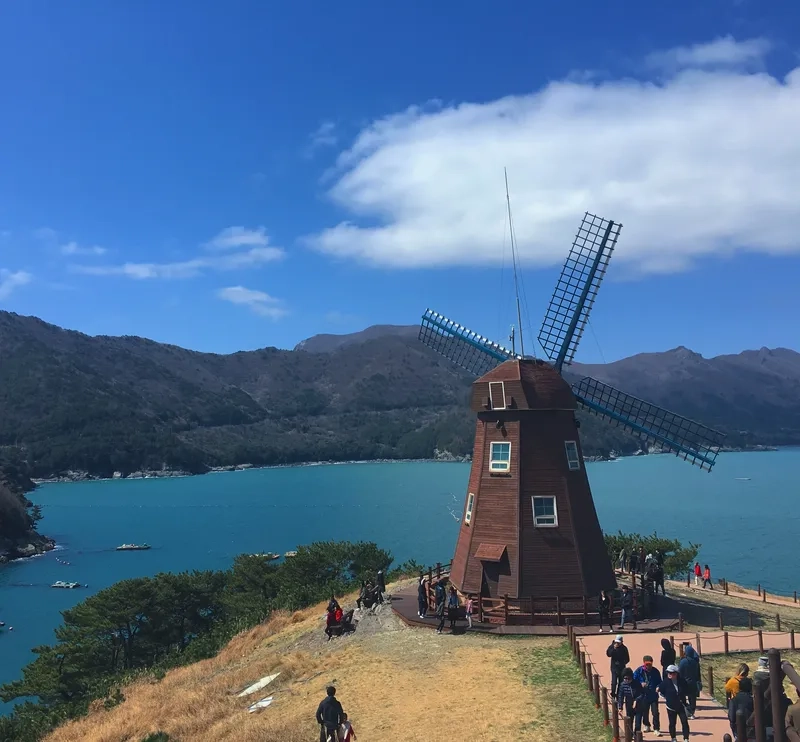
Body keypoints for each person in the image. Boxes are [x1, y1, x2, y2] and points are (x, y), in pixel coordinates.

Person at [633, 654, 663, 735]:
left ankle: (656, 728)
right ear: (644, 663)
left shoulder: (655, 671)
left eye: (650, 664)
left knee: (655, 712)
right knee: (645, 712)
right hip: (643, 696)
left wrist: (658, 687)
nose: (648, 666)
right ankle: (647, 724)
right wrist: (640, 683)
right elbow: (633, 680)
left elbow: (660, 682)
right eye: (647, 664)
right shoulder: (639, 671)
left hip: (653, 696)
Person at [660, 664, 690, 742]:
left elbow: (686, 690)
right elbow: (661, 690)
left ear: (676, 673)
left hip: (681, 705)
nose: (669, 674)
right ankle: (673, 737)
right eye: (668, 673)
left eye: (671, 673)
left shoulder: (682, 681)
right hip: (671, 706)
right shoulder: (665, 682)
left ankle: (686, 738)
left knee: (684, 722)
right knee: (672, 723)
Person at [679, 643, 701, 719]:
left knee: (683, 697)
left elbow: (680, 672)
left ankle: (686, 710)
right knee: (693, 698)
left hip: (684, 682)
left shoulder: (683, 661)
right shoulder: (695, 662)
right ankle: (691, 712)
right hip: (693, 683)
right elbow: (698, 673)